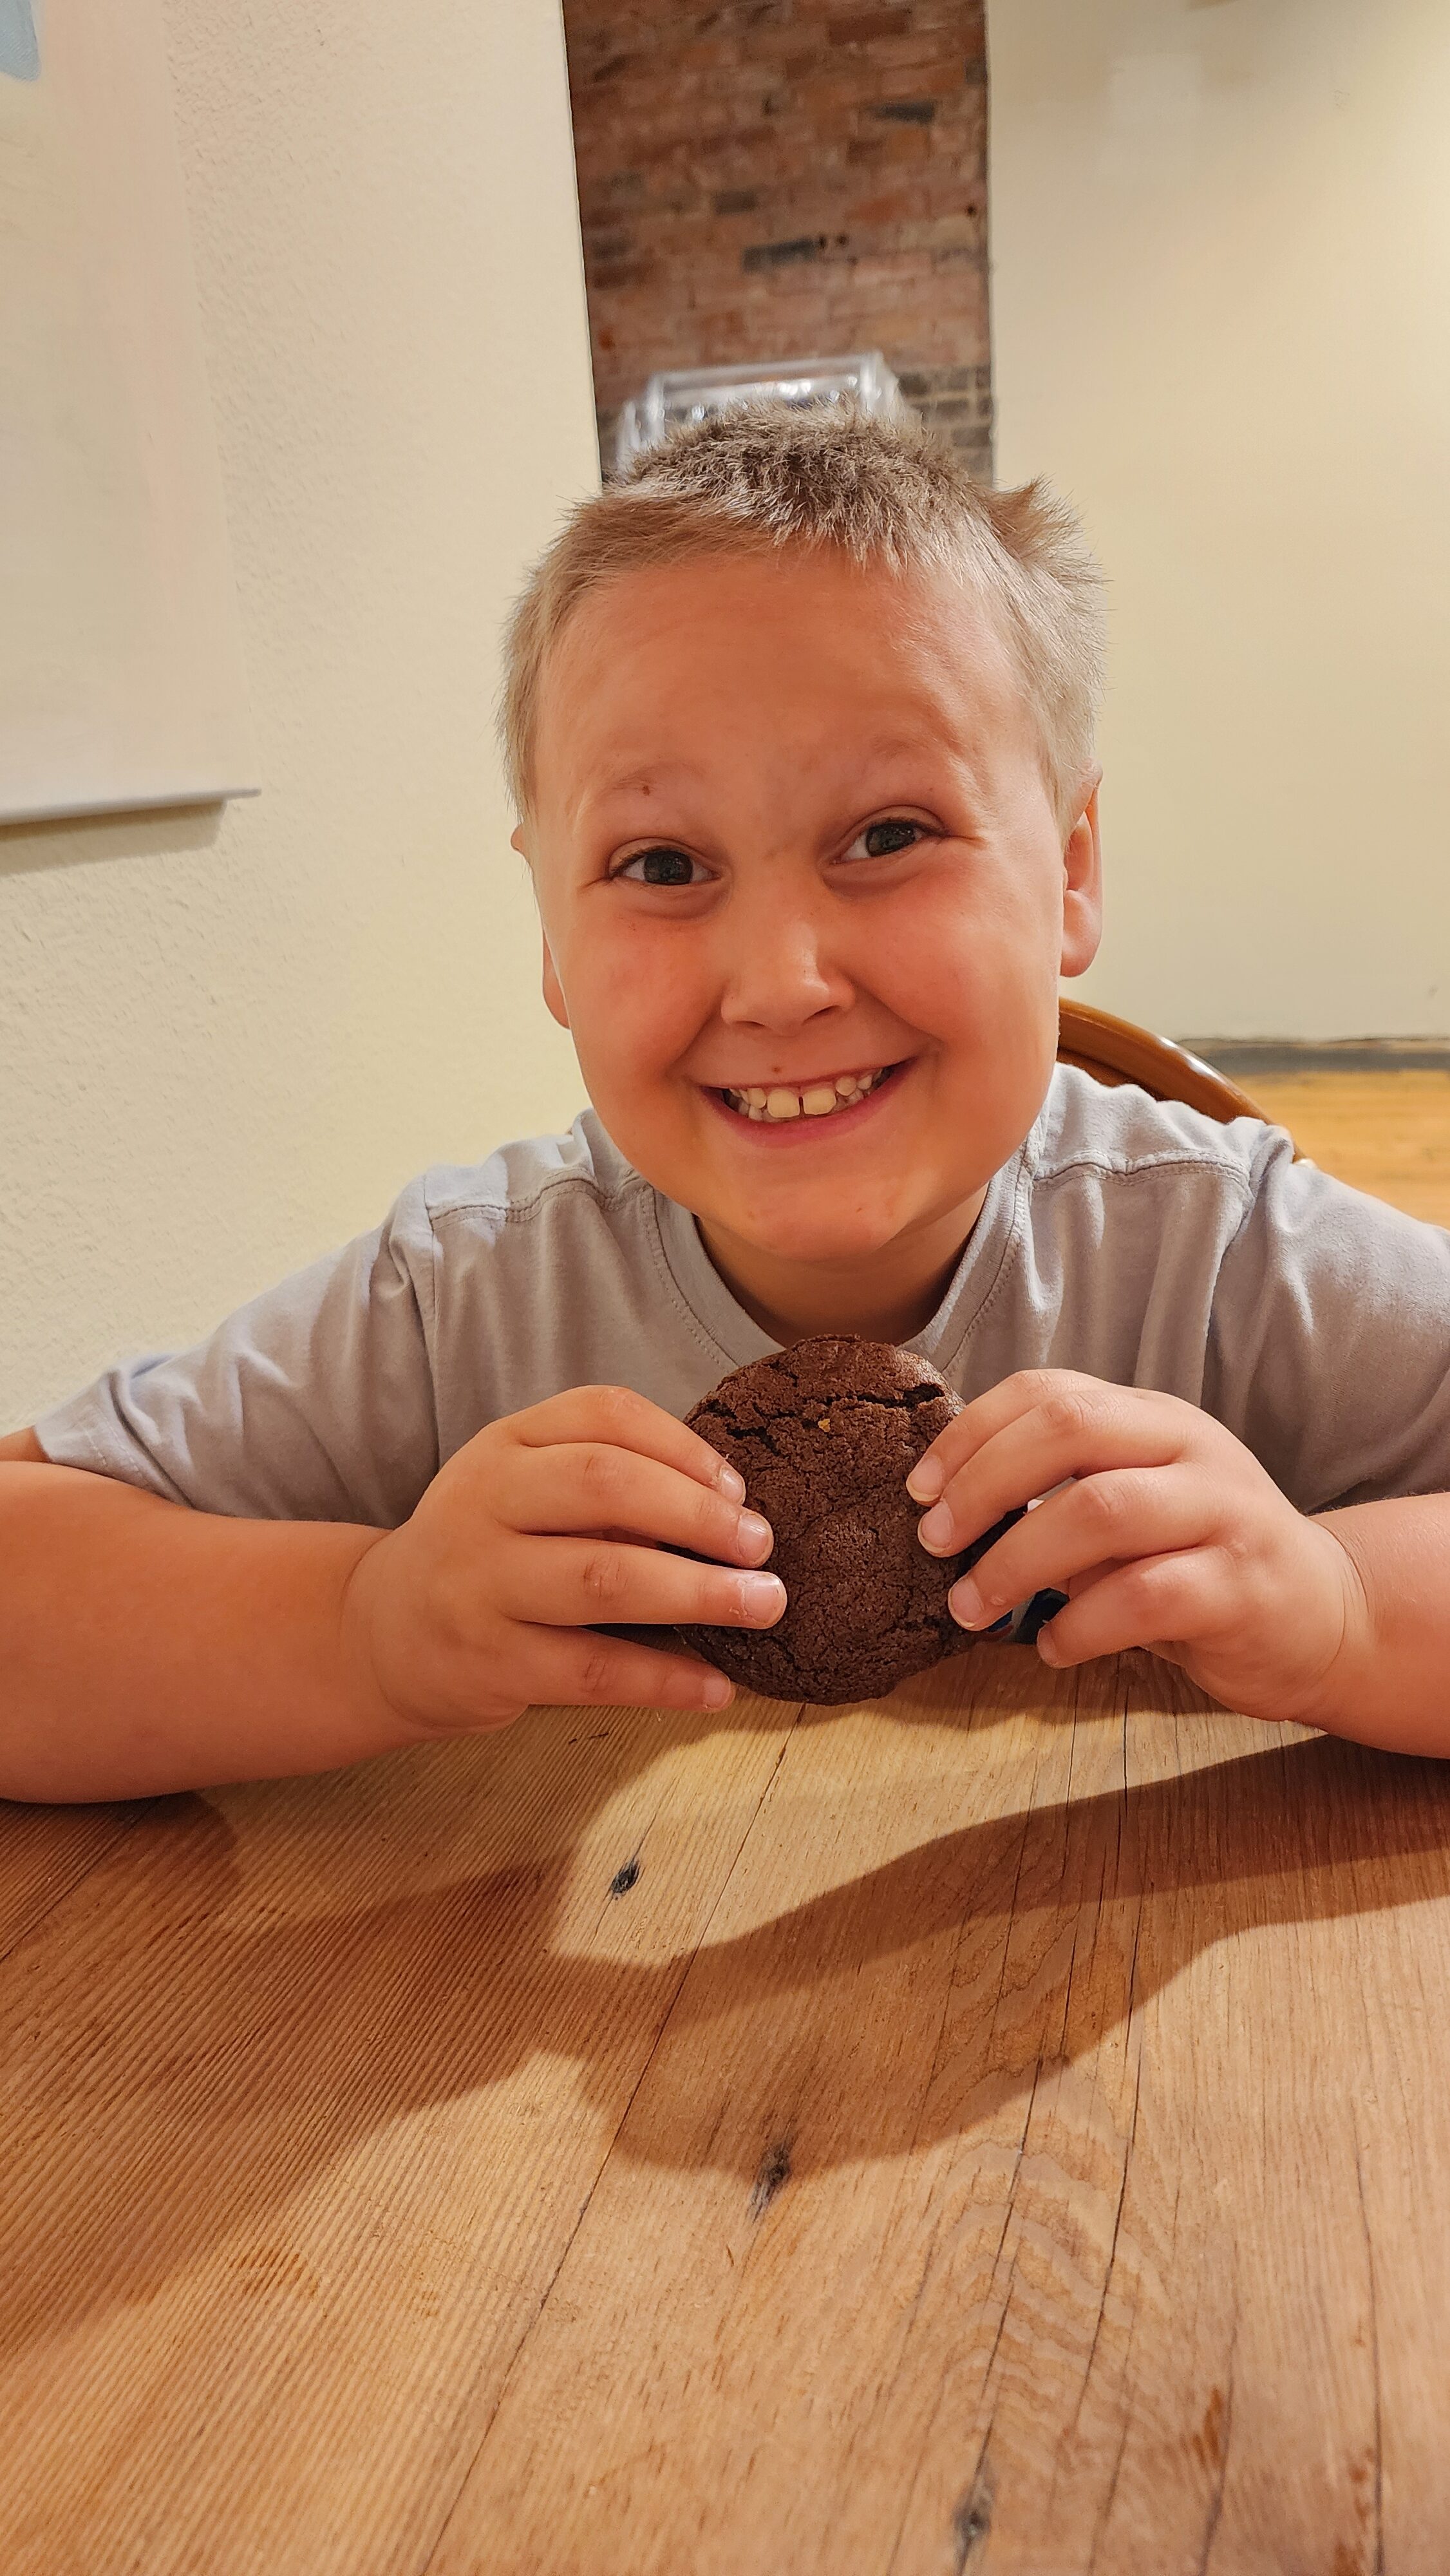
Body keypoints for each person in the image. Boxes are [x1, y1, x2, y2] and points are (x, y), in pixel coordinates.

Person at [5, 406, 1450, 1803]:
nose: (777, 981)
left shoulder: (1226, 1257)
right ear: (551, 935)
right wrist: (367, 1625)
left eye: (887, 834)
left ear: (1069, 870)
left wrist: (1339, 1611)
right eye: (659, 865)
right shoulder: (464, 1298)